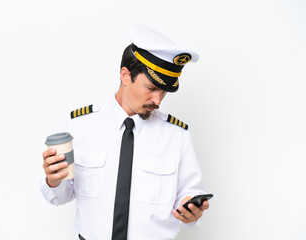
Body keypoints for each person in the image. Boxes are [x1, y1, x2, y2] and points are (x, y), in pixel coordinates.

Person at [40, 25, 209, 240]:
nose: (158, 100)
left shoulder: (177, 135)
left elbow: (190, 196)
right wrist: (53, 181)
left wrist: (191, 212)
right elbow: (61, 195)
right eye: (151, 88)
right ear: (125, 75)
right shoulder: (80, 125)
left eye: (164, 91)